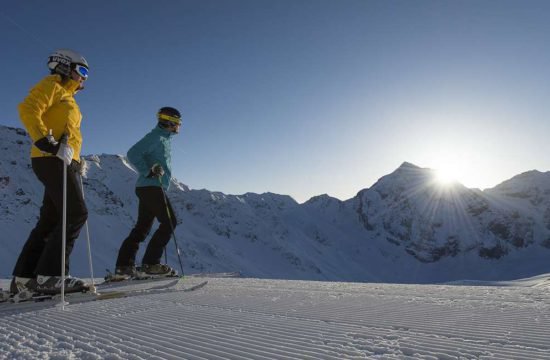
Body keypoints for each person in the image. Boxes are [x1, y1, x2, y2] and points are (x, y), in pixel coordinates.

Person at [11, 49, 90, 295]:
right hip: (50, 157)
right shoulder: (52, 85)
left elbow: (69, 132)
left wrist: (77, 160)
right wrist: (46, 141)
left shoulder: (68, 97)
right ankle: (51, 276)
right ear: (67, 67)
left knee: (51, 219)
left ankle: (24, 279)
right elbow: (28, 108)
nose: (85, 78)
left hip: (63, 161)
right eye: (83, 71)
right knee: (76, 213)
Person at [113, 107, 182, 280]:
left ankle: (124, 266)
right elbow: (133, 153)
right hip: (151, 186)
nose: (179, 126)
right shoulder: (156, 137)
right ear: (169, 121)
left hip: (149, 187)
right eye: (178, 122)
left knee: (142, 228)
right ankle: (151, 264)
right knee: (170, 222)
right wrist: (148, 171)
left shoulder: (164, 139)